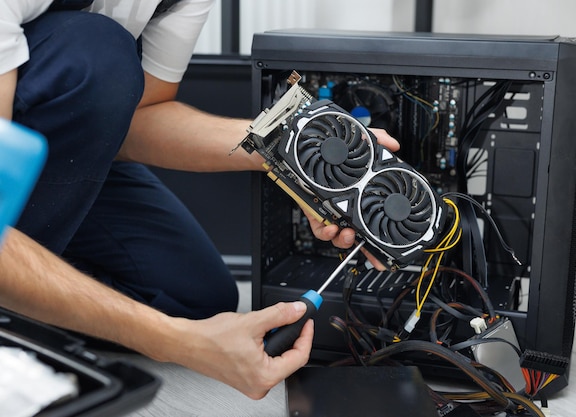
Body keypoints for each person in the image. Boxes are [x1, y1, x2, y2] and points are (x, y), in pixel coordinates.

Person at [0, 0, 399, 400]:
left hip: (59, 146)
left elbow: (139, 117)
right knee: (94, 52)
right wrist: (180, 341)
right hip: (10, 152)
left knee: (193, 297)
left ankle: (31, 293)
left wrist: (288, 147)